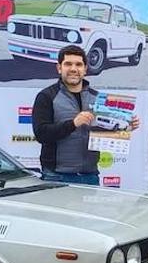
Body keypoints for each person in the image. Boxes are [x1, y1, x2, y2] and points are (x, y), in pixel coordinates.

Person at [31, 44, 138, 186]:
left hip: (90, 176)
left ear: (85, 69)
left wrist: (124, 128)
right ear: (59, 68)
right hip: (56, 176)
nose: (73, 69)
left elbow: (103, 134)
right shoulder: (46, 96)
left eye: (78, 64)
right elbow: (41, 134)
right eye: (68, 64)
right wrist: (73, 124)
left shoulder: (98, 98)